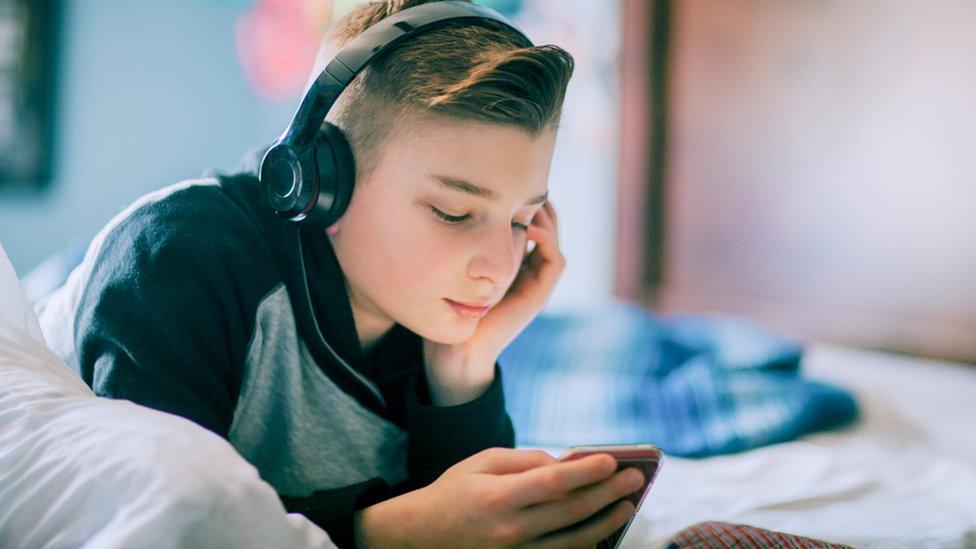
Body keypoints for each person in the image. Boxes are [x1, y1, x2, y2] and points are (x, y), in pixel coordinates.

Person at [37, 1, 644, 546]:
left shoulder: (424, 309)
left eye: (521, 220)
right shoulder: (178, 258)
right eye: (453, 212)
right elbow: (162, 525)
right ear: (319, 183)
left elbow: (465, 527)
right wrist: (388, 531)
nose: (497, 269)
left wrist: (462, 372)